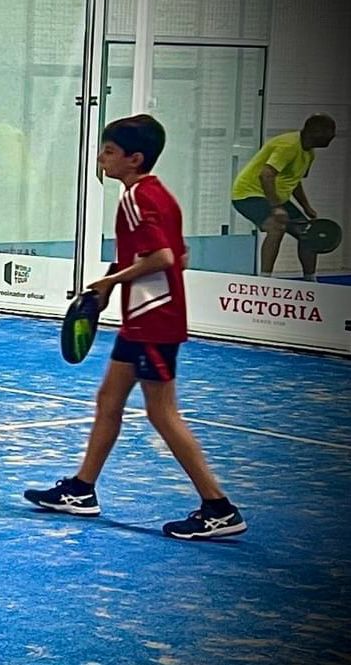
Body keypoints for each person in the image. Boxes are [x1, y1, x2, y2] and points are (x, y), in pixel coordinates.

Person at [24, 114, 246, 540]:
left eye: (109, 152)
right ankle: (82, 490)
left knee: (161, 413)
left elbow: (162, 258)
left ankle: (218, 507)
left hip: (155, 321)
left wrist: (108, 282)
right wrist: (111, 288)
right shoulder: (158, 195)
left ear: (134, 158)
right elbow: (176, 255)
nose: (101, 159)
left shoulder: (138, 199)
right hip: (142, 320)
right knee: (108, 399)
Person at [231, 114, 337, 280]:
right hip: (248, 194)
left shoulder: (309, 154)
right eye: (329, 131)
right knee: (277, 227)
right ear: (314, 131)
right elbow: (266, 175)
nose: (332, 135)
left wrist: (306, 207)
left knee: (308, 233)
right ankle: (265, 280)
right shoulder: (288, 146)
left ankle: (311, 280)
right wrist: (276, 208)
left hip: (275, 196)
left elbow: (293, 181)